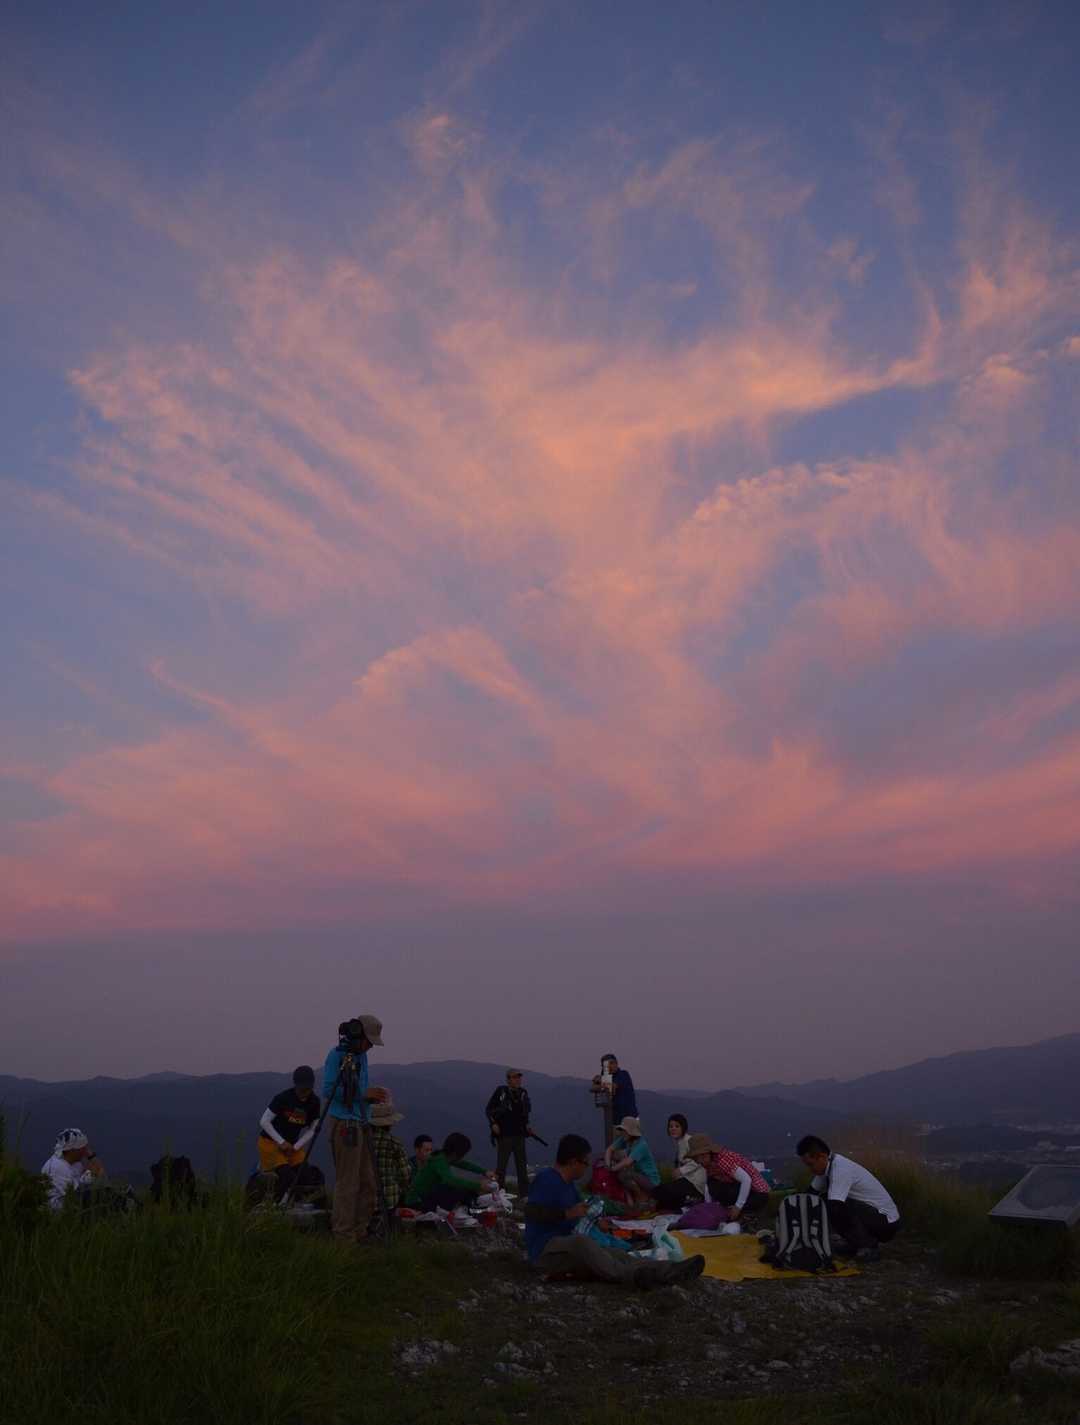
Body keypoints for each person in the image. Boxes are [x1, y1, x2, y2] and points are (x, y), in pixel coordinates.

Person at [525, 1132, 706, 1289]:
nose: (586, 1168)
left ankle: (669, 1270)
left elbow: (581, 1210)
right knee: (582, 1243)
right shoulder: (546, 1179)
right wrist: (567, 1214)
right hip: (545, 1252)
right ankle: (632, 1276)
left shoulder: (569, 1186)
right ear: (573, 1162)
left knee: (613, 1252)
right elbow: (532, 1212)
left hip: (565, 1249)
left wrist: (598, 1221)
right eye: (585, 1163)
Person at [322, 1015, 388, 1244]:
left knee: (368, 1181)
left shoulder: (361, 1056)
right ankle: (343, 1235)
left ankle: (360, 1230)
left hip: (361, 1121)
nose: (370, 1047)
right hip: (345, 1123)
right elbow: (328, 1090)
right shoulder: (337, 1055)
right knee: (348, 1181)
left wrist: (370, 1096)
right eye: (369, 1041)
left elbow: (358, 1089)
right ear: (358, 1034)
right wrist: (364, 1094)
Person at [797, 1135, 901, 1260]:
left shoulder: (840, 1169)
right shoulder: (827, 1167)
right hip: (874, 1216)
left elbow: (835, 1206)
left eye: (810, 1165)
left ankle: (868, 1246)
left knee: (834, 1206)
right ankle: (855, 1243)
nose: (810, 1169)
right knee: (826, 1201)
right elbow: (810, 1194)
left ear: (822, 1156)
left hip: (886, 1222)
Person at [406, 1133, 498, 1212]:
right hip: (417, 1202)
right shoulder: (439, 1160)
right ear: (456, 1153)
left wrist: (484, 1172)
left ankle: (473, 1206)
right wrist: (479, 1185)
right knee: (454, 1189)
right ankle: (470, 1209)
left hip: (426, 1196)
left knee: (461, 1189)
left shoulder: (444, 1156)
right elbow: (451, 1180)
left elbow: (464, 1164)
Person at [685, 1133, 770, 1219]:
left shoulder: (723, 1159)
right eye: (697, 1158)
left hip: (756, 1191)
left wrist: (738, 1207)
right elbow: (709, 1185)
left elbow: (746, 1180)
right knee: (713, 1185)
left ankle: (738, 1211)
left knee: (757, 1199)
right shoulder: (708, 1163)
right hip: (735, 1185)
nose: (700, 1160)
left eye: (703, 1156)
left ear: (709, 1152)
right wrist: (708, 1206)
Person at [258, 1065, 320, 1173]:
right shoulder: (283, 1098)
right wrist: (281, 1142)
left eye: (307, 1089)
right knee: (285, 1174)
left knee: (305, 1173)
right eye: (301, 1089)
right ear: (295, 1085)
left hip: (292, 1146)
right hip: (270, 1142)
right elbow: (264, 1121)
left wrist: (296, 1147)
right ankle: (262, 1174)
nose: (304, 1092)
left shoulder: (314, 1102)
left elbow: (313, 1129)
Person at [485, 1068, 533, 1194]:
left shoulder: (523, 1093)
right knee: (501, 1166)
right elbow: (489, 1109)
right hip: (505, 1134)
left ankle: (524, 1194)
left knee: (522, 1166)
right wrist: (493, 1124)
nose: (518, 1080)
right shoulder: (501, 1091)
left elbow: (525, 1113)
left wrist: (527, 1126)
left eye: (519, 1077)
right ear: (508, 1079)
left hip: (520, 1134)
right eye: (515, 1077)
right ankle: (499, 1193)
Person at [368, 1094, 411, 1226]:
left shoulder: (361, 1142)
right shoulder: (394, 1143)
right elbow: (405, 1173)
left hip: (363, 1197)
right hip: (389, 1198)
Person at [652, 1114, 708, 1212]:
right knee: (662, 1196)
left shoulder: (689, 1141)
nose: (673, 1129)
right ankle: (685, 1204)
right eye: (671, 1126)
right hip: (687, 1180)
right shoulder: (680, 1142)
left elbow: (698, 1160)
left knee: (660, 1191)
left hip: (695, 1183)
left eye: (677, 1126)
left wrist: (680, 1170)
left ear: (683, 1127)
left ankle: (694, 1199)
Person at [40, 1128, 106, 1210]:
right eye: (82, 1147)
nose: (85, 1150)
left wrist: (91, 1156)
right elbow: (74, 1194)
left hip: (73, 1202)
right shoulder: (57, 1167)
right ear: (72, 1150)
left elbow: (99, 1172)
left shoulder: (75, 1163)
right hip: (59, 1211)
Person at [605, 1117, 661, 1207]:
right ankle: (634, 1200)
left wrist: (612, 1168)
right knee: (622, 1173)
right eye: (622, 1130)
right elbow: (609, 1150)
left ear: (631, 1132)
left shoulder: (641, 1145)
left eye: (624, 1131)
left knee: (623, 1175)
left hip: (651, 1181)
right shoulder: (625, 1139)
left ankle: (642, 1197)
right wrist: (608, 1164)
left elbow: (628, 1162)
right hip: (638, 1176)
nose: (622, 1133)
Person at [598, 1054, 637, 1123]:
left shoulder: (623, 1075)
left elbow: (613, 1086)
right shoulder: (606, 1078)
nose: (609, 1066)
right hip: (614, 1119)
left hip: (629, 1119)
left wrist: (601, 1080)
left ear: (616, 1063)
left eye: (611, 1063)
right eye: (606, 1065)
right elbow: (594, 1087)